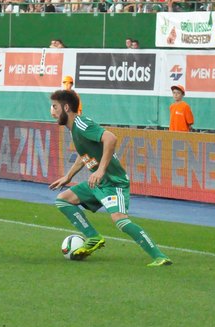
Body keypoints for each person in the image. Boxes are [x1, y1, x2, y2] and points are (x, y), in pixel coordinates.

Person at [48, 90, 172, 266]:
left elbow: (111, 138)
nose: (52, 111)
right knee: (63, 200)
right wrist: (68, 176)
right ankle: (93, 237)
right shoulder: (74, 129)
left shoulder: (81, 123)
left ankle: (160, 256)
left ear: (66, 108)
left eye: (55, 107)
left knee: (120, 220)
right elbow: (84, 155)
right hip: (98, 183)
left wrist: (100, 171)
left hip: (113, 182)